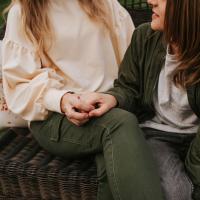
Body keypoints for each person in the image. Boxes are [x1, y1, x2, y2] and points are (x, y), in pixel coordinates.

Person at [1, 0, 164, 200]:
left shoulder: (104, 3)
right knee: (119, 125)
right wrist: (62, 99)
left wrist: (113, 97)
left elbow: (132, 59)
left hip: (108, 106)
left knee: (113, 163)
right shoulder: (23, 12)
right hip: (54, 116)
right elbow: (20, 85)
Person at [77, 0, 200, 200]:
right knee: (176, 193)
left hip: (196, 139)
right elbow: (128, 87)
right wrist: (113, 98)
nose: (150, 1)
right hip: (158, 135)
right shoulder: (144, 37)